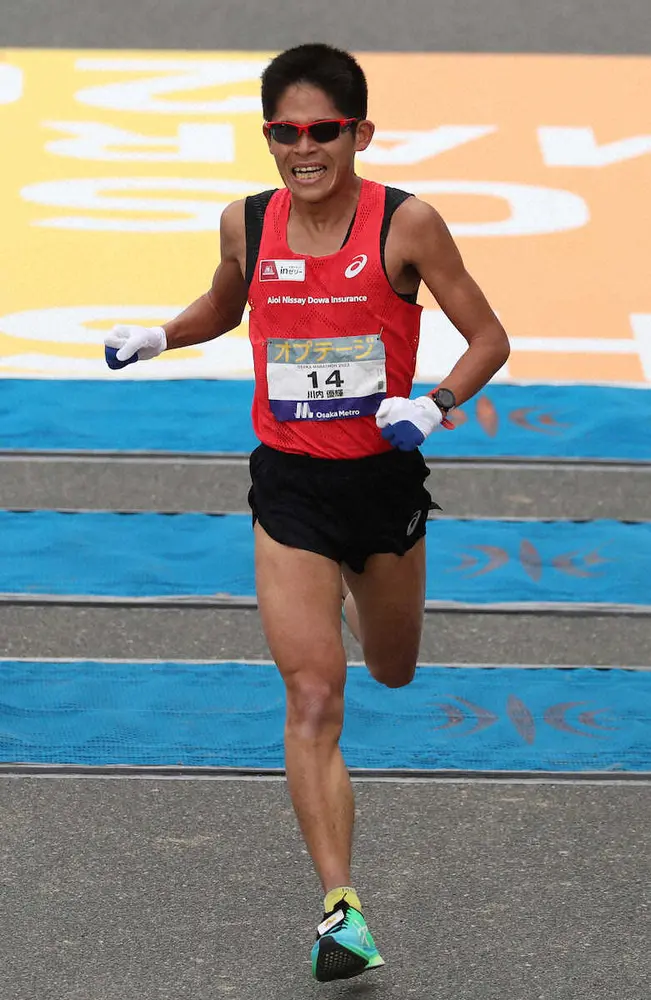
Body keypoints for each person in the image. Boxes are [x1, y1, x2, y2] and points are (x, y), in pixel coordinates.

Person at [104, 43, 510, 982]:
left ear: (359, 133)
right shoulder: (246, 222)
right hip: (288, 487)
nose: (302, 149)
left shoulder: (406, 224)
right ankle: (342, 911)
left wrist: (435, 404)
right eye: (283, 133)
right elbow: (226, 303)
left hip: (383, 484)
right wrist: (162, 333)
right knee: (314, 693)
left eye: (321, 131)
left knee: (391, 669)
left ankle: (358, 600)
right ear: (267, 139)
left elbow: (488, 336)